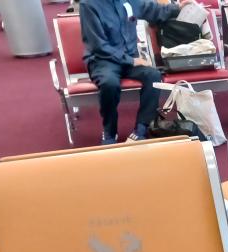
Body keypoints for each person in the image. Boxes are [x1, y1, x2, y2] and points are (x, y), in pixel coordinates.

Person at [79, 0, 190, 144]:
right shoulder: (88, 4)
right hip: (103, 60)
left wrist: (178, 8)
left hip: (130, 58)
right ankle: (109, 132)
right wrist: (131, 61)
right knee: (109, 84)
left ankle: (142, 128)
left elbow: (154, 10)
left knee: (154, 76)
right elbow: (97, 45)